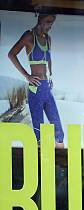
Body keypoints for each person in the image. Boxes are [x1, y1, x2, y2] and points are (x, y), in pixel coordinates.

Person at [8, 12, 64, 148]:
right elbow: (11, 54)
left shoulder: (48, 38)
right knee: (38, 125)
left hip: (46, 86)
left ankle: (60, 155)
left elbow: (48, 58)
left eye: (52, 22)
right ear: (40, 20)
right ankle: (40, 156)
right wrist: (27, 76)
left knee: (56, 124)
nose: (50, 25)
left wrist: (51, 74)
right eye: (48, 21)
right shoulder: (29, 36)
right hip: (36, 87)